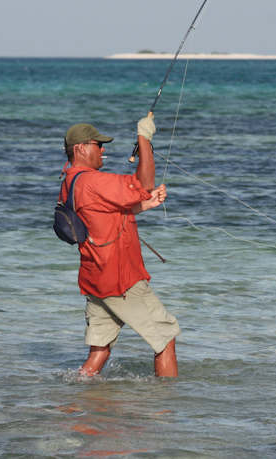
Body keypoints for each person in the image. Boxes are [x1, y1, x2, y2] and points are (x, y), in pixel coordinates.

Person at [59, 115, 180, 377]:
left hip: (95, 280)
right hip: (120, 280)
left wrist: (145, 204)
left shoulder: (70, 181)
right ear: (81, 148)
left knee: (100, 351)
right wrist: (144, 138)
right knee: (166, 337)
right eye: (98, 144)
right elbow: (144, 183)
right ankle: (169, 409)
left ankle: (73, 402)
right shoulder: (94, 180)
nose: (104, 150)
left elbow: (100, 213)